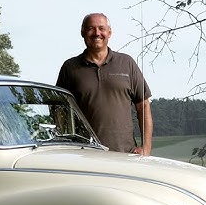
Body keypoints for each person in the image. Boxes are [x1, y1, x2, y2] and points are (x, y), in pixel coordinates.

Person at [56, 13, 153, 156]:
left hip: (126, 155)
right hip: (84, 156)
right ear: (82, 32)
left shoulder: (127, 63)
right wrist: (65, 146)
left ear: (109, 32)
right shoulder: (69, 68)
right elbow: (59, 111)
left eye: (101, 28)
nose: (97, 33)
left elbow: (143, 106)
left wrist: (146, 147)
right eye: (91, 28)